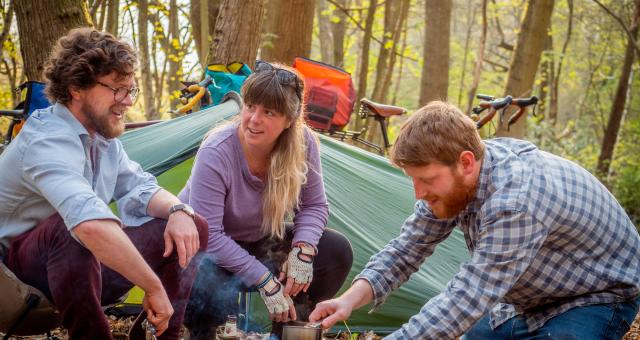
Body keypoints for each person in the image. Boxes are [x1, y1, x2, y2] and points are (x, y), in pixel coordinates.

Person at [309, 101, 640, 339]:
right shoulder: (456, 179)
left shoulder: (517, 199)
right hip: (527, 302)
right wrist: (347, 300)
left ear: (466, 162)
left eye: (425, 180)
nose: (418, 194)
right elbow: (405, 250)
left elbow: (467, 298)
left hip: (596, 297)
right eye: (413, 179)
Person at [0, 28, 208, 339]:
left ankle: (162, 334)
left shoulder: (103, 142)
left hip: (77, 268)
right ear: (76, 88)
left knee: (193, 225)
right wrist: (152, 285)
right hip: (13, 280)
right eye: (117, 89)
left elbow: (142, 188)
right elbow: (89, 225)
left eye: (131, 90)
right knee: (74, 229)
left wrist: (178, 210)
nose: (126, 101)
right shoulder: (46, 140)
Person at [180, 61, 353, 339]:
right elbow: (208, 234)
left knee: (335, 251)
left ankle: (289, 329)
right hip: (208, 249)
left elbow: (314, 205)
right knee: (200, 267)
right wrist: (263, 279)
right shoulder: (217, 150)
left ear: (289, 120)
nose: (254, 119)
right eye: (250, 107)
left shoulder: (303, 143)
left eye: (269, 112)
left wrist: (303, 251)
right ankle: (203, 332)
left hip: (260, 241)